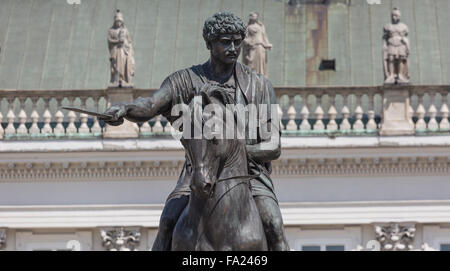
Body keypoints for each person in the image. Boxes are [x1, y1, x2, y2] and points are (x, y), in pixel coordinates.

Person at [100, 12, 289, 251]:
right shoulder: (186, 81)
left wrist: (231, 148)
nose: (232, 48)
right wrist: (125, 108)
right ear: (209, 43)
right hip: (196, 173)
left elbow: (273, 145)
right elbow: (150, 105)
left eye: (237, 41)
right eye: (224, 41)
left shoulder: (259, 86)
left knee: (273, 225)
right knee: (168, 223)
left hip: (250, 178)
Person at [108, 9, 135, 87]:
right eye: (117, 21)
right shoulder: (111, 31)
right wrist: (117, 41)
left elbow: (129, 42)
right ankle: (117, 79)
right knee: (116, 66)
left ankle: (124, 79)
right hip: (116, 52)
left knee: (124, 65)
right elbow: (109, 40)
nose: (118, 23)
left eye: (120, 21)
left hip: (124, 51)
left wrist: (126, 46)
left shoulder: (125, 31)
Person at [383, 7, 409, 84]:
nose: (394, 17)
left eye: (396, 15)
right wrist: (384, 46)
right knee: (391, 58)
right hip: (391, 43)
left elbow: (405, 37)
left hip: (401, 44)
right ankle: (391, 74)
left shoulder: (404, 26)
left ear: (399, 16)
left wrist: (407, 47)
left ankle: (400, 74)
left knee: (401, 59)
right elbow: (385, 37)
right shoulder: (387, 26)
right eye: (393, 15)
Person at [242, 12, 272, 76]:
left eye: (254, 16)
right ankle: (251, 76)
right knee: (251, 62)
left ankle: (261, 76)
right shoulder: (248, 27)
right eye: (252, 16)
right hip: (252, 47)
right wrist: (250, 42)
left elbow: (264, 36)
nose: (253, 17)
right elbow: (245, 38)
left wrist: (267, 44)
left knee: (261, 64)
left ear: (257, 17)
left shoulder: (260, 26)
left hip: (260, 47)